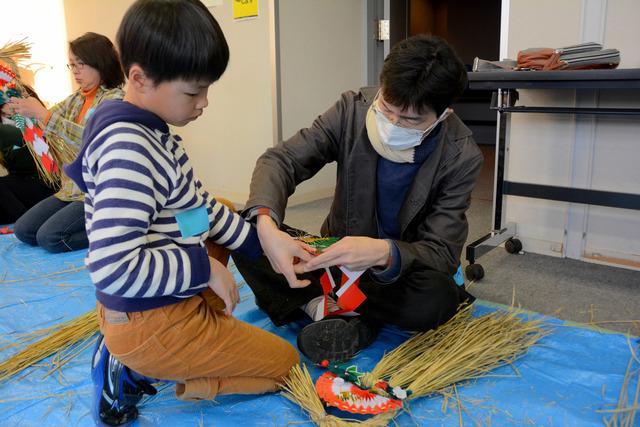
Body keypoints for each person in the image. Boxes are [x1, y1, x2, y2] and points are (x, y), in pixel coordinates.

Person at [64, 1, 299, 425]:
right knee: (284, 365)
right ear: (139, 77)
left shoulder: (150, 130)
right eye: (193, 91)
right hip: (146, 320)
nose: (204, 103)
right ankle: (134, 367)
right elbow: (113, 268)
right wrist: (203, 268)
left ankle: (167, 339)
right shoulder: (128, 149)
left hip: (156, 303)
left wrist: (261, 241)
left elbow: (199, 207)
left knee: (221, 213)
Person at [233, 34, 484, 364]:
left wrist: (383, 252)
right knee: (244, 230)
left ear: (443, 115)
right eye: (387, 109)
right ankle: (334, 310)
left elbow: (441, 252)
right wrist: (267, 224)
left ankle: (339, 311)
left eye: (410, 120)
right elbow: (281, 161)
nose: (393, 124)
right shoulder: (352, 111)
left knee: (436, 299)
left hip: (397, 273)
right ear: (381, 89)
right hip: (331, 258)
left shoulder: (460, 154)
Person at [4, 32, 124, 252]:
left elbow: (90, 138)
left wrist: (43, 115)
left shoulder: (114, 99)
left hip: (95, 191)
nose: (76, 71)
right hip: (70, 189)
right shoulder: (77, 97)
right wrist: (19, 108)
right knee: (23, 230)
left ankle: (117, 229)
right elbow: (47, 120)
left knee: (50, 238)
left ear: (101, 63)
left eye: (81, 64)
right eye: (71, 65)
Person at [0, 86, 56, 224]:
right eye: (5, 99)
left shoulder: (37, 119)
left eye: (13, 97)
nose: (11, 102)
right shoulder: (6, 126)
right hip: (20, 186)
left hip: (48, 184)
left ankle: (27, 223)